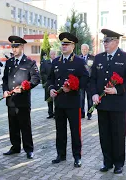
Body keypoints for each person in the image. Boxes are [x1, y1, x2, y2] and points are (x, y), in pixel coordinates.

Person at [90, 29, 126, 174]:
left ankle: (118, 163)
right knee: (104, 134)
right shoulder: (98, 58)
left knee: (117, 134)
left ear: (116, 42)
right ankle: (107, 162)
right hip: (102, 104)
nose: (105, 43)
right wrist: (93, 94)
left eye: (108, 40)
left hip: (117, 104)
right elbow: (92, 79)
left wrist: (118, 90)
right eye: (104, 41)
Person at [48, 32, 89, 168]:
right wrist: (51, 89)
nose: (64, 46)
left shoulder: (79, 61)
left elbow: (85, 79)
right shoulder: (55, 61)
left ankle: (77, 156)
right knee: (60, 130)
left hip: (72, 102)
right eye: (62, 44)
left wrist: (73, 88)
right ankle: (61, 154)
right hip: (59, 102)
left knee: (75, 131)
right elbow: (50, 79)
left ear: (73, 46)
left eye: (67, 44)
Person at [2, 36, 41, 159]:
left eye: (16, 46)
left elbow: (36, 79)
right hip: (11, 100)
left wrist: (24, 88)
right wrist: (4, 91)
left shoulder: (30, 63)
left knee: (25, 125)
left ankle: (29, 149)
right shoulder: (9, 62)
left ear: (22, 47)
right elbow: (4, 79)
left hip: (23, 101)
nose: (14, 49)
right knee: (12, 125)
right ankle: (15, 146)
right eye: (12, 47)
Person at [79, 43, 95, 120]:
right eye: (82, 49)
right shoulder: (78, 58)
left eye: (85, 49)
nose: (84, 50)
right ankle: (82, 113)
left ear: (88, 50)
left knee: (90, 99)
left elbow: (94, 70)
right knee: (81, 98)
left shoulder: (92, 58)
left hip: (89, 82)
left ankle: (89, 113)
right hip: (81, 81)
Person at [40, 50, 55, 119]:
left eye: (54, 54)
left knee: (56, 99)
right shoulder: (46, 63)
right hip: (48, 84)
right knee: (49, 99)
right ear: (50, 55)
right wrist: (48, 80)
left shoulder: (58, 62)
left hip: (56, 84)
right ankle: (50, 113)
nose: (53, 55)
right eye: (52, 54)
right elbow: (42, 73)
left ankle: (56, 113)